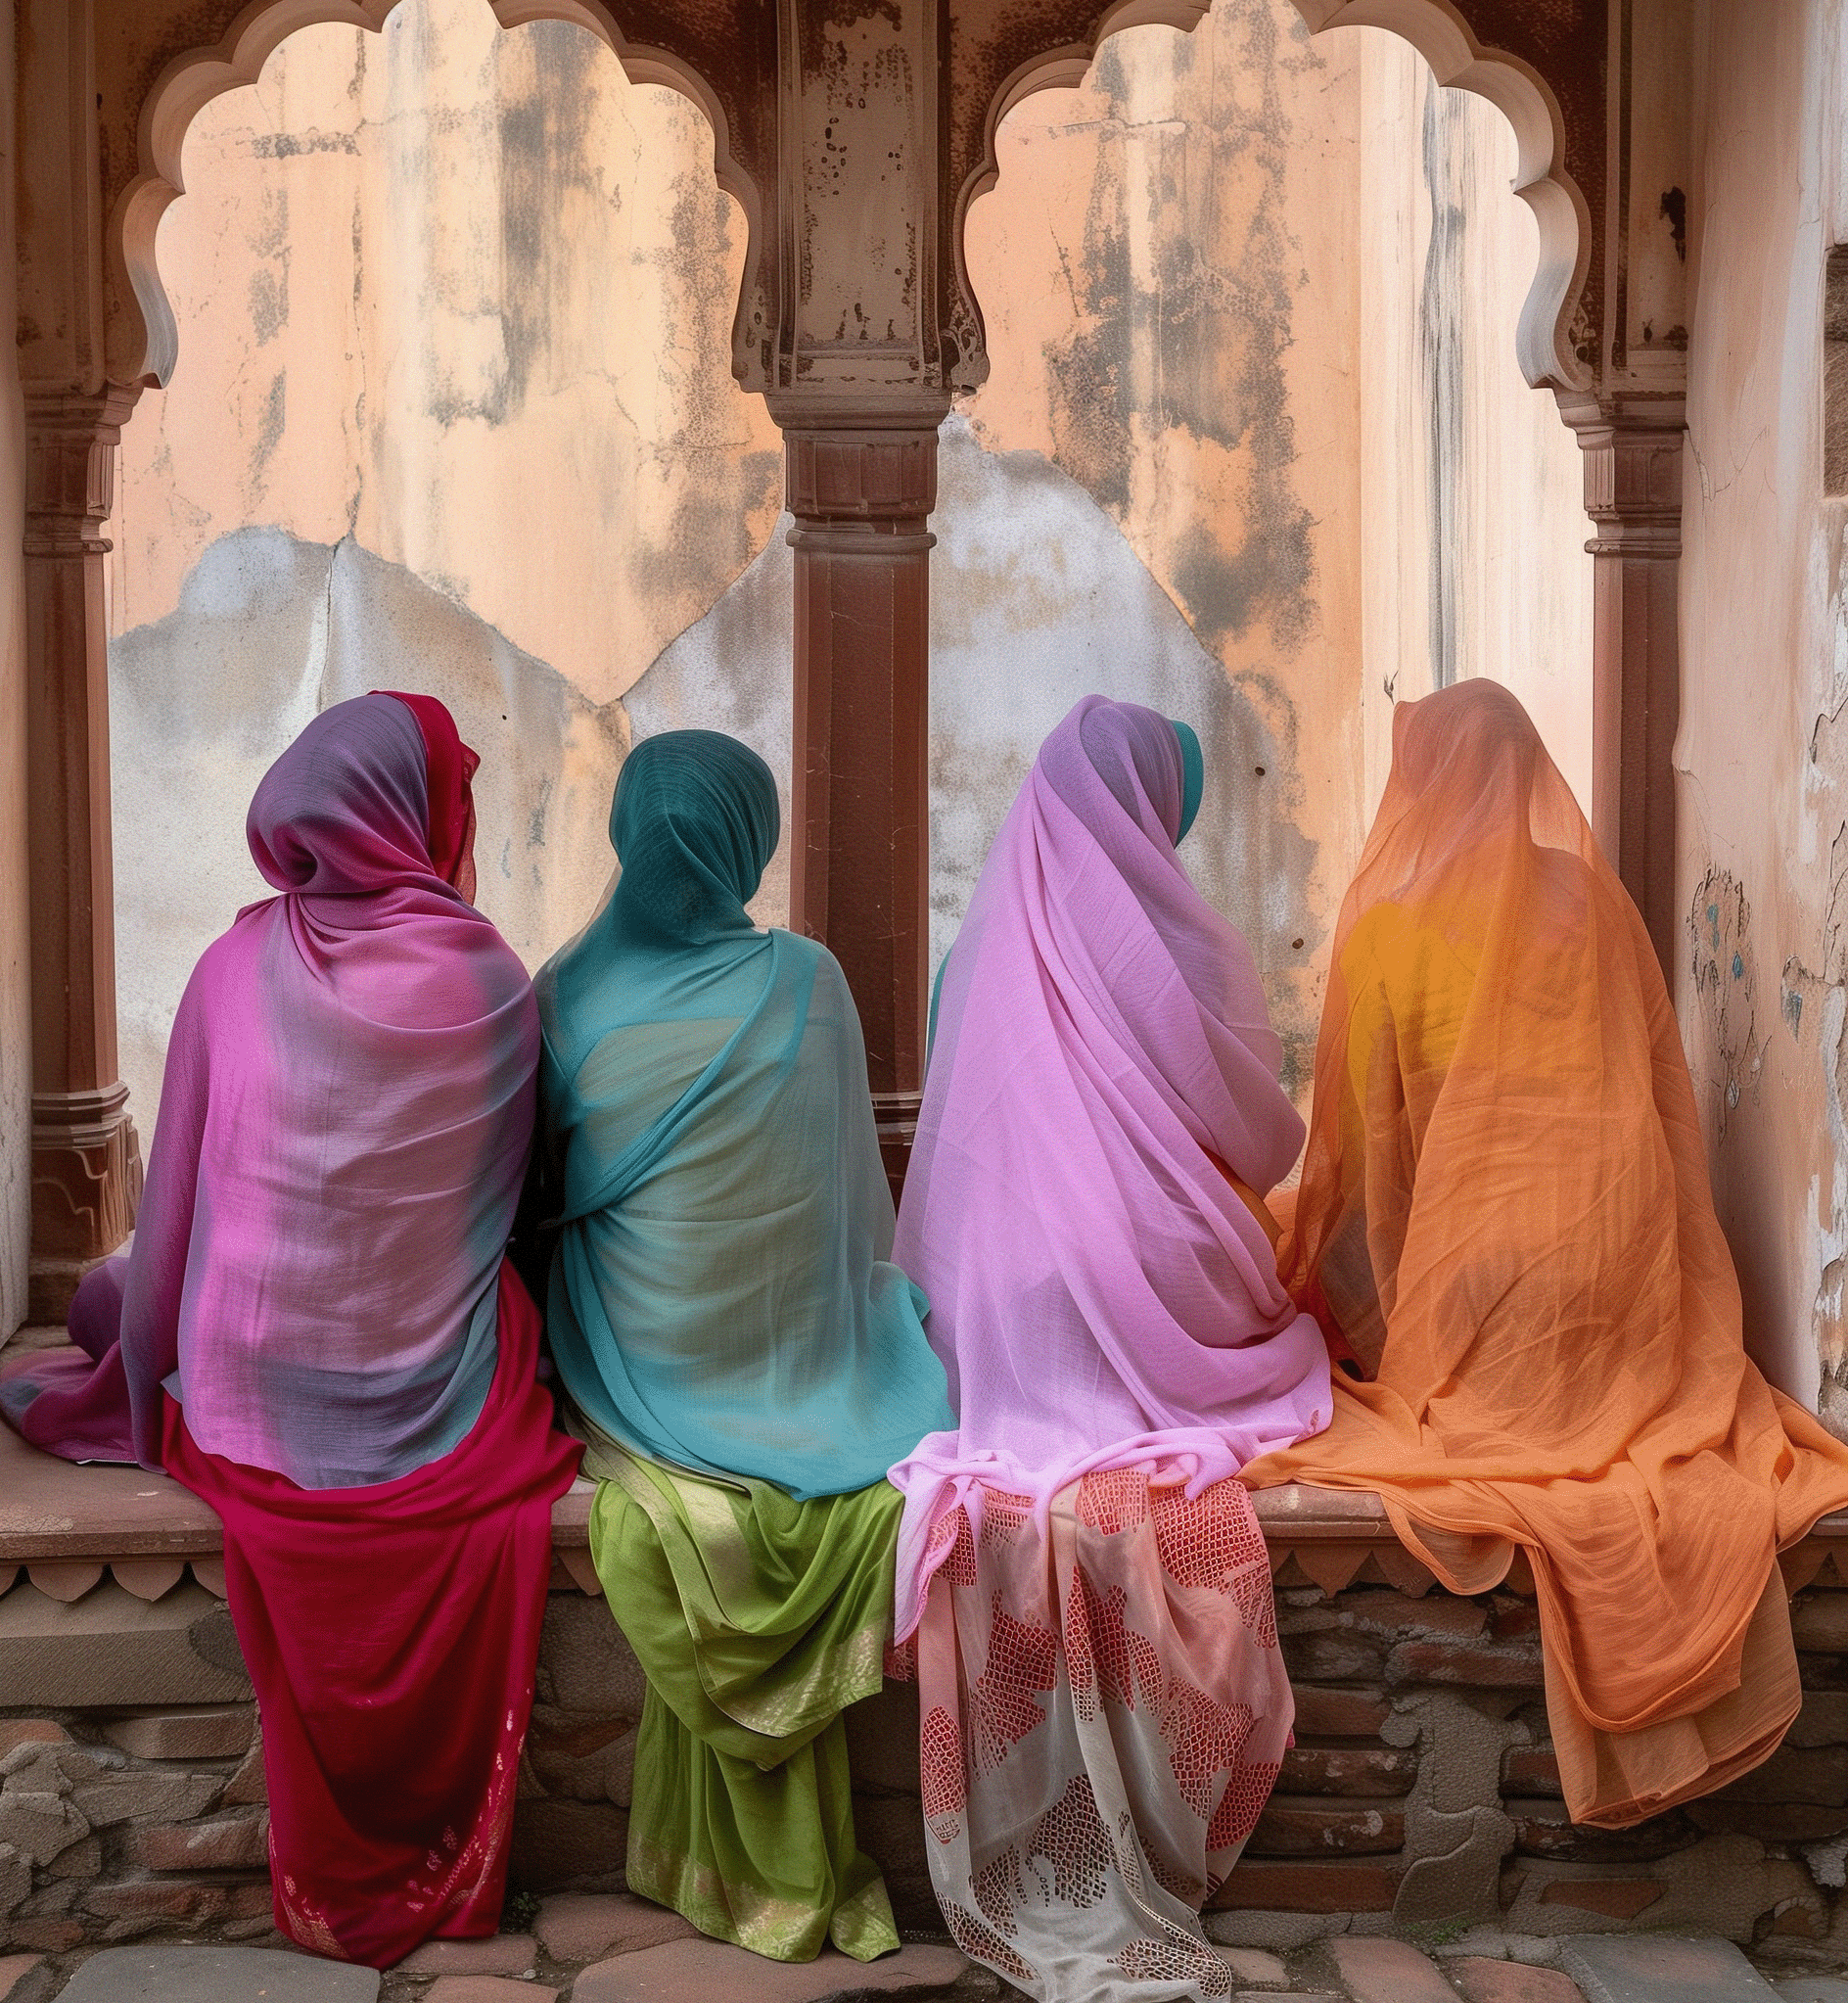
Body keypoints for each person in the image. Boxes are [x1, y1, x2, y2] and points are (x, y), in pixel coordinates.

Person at [5, 693, 581, 1968]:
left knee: (133, 1285)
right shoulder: (486, 979)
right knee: (511, 1302)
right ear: (425, 817)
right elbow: (504, 1203)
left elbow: (180, 1212)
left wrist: (135, 1367)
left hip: (244, 1386)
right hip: (427, 1399)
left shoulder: (231, 966)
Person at [1247, 677, 1848, 1826]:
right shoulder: (1594, 902)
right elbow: (1664, 1122)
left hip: (1478, 1300)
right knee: (1643, 1423)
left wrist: (1371, 1321)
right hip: (1627, 1294)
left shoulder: (1388, 932)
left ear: (1417, 784)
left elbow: (1371, 1176)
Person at [890, 695, 1331, 2002]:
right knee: (1275, 1309)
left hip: (991, 1322)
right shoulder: (1181, 951)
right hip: (1150, 1299)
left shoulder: (975, 956)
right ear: (1161, 810)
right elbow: (1262, 1139)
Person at [533, 728, 954, 1966]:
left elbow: (540, 1195)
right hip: (817, 1365)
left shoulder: (558, 993)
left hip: (645, 1370)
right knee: (891, 1322)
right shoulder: (807, 980)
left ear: (624, 831)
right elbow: (839, 1213)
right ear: (749, 838)